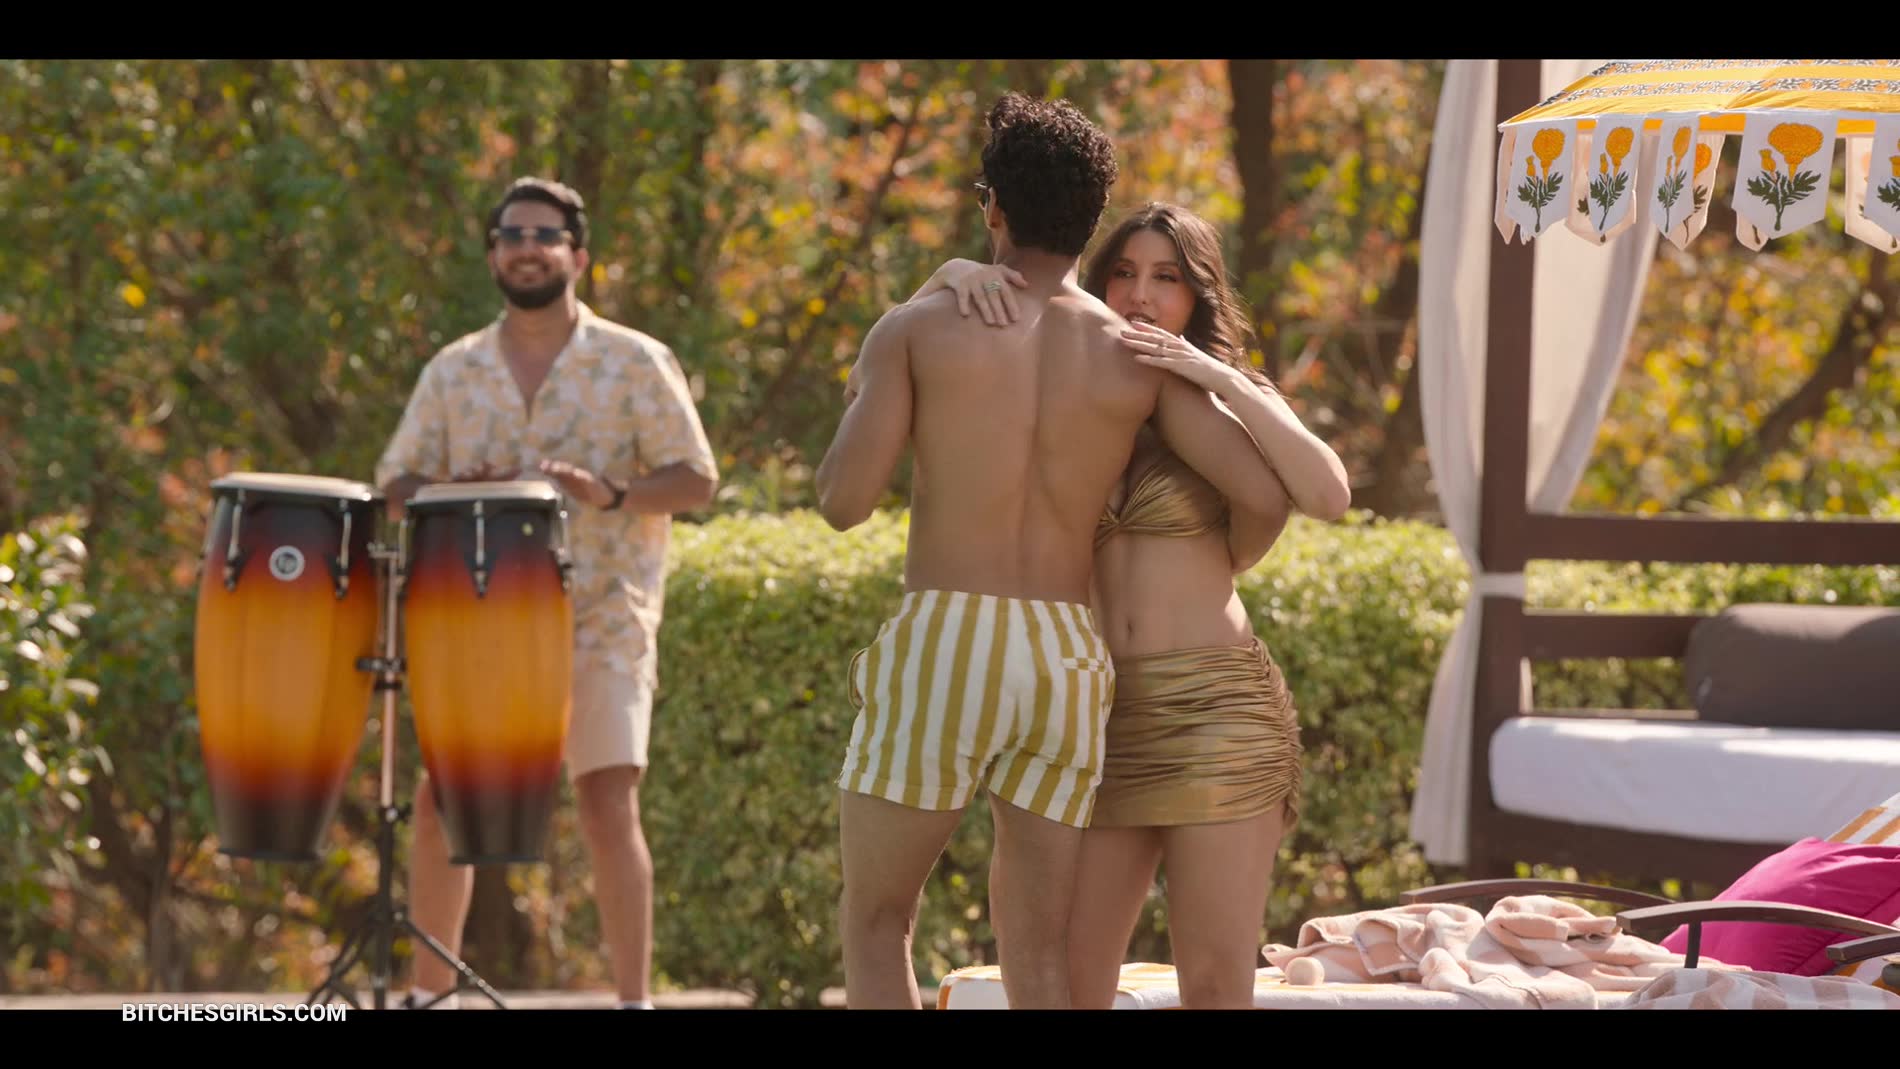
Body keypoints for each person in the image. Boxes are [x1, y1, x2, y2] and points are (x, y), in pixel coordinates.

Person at [816, 95, 1289, 1010]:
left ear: (992, 205)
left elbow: (843, 502)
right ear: (1093, 218)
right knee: (1038, 955)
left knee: (878, 921)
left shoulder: (920, 327)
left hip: (948, 633)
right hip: (1067, 656)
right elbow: (1263, 490)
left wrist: (896, 333)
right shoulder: (1135, 354)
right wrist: (1217, 569)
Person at [908, 201, 1351, 1008]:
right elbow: (930, 359)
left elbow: (1327, 493)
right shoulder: (1079, 386)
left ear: (1197, 295)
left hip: (1216, 711)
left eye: (1166, 278)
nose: (1141, 294)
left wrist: (1216, 374)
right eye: (1123, 272)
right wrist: (952, 274)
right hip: (1101, 718)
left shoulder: (1225, 399)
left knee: (1214, 985)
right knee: (1074, 983)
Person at [373, 177, 719, 1010]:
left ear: (578, 255)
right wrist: (460, 487)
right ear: (493, 254)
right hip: (479, 627)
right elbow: (394, 483)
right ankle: (431, 998)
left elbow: (697, 479)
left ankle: (632, 1001)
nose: (527, 247)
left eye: (545, 234)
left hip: (604, 616)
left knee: (607, 800)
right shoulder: (453, 370)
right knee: (441, 798)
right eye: (512, 235)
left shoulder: (636, 361)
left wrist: (611, 491)